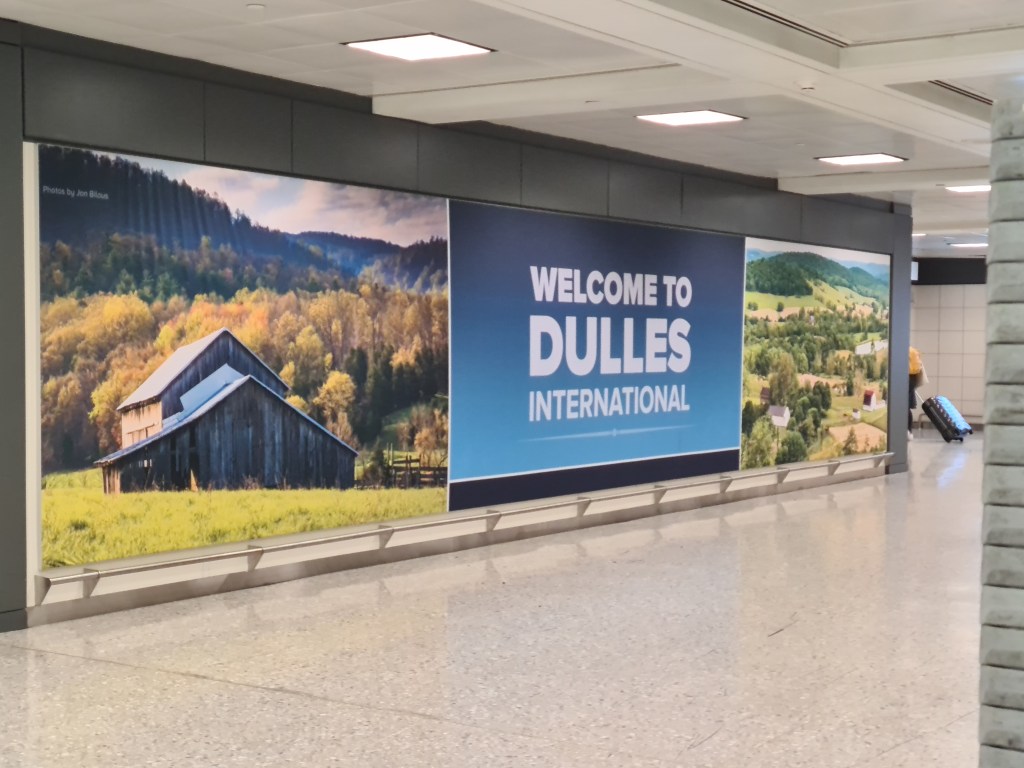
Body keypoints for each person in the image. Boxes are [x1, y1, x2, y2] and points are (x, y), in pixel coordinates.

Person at [908, 346, 927, 439]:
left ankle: (907, 431)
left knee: (903, 407)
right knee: (906, 407)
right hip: (913, 378)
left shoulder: (900, 350)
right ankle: (908, 431)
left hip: (905, 378)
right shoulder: (912, 350)